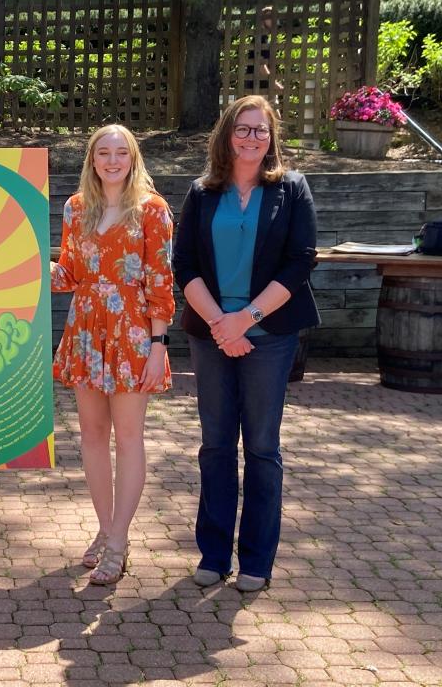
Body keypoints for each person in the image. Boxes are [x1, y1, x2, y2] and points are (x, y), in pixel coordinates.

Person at [172, 95, 319, 592]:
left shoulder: (292, 189)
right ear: (226, 135)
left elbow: (300, 262)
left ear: (272, 136)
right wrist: (220, 323)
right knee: (215, 445)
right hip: (212, 333)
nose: (251, 138)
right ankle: (214, 553)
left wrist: (247, 318)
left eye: (261, 130)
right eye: (242, 129)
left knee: (260, 446)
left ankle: (256, 559)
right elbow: (185, 265)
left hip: (270, 335)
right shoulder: (201, 191)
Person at [51, 124, 175, 585]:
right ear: (92, 159)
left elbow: (161, 282)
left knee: (128, 437)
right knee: (91, 435)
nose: (112, 160)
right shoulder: (77, 208)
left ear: (133, 157)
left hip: (132, 334)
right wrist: (36, 266)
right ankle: (105, 529)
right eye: (103, 152)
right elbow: (70, 273)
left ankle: (119, 540)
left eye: (120, 152)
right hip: (86, 330)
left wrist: (158, 346)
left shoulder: (153, 211)